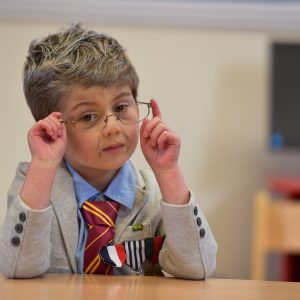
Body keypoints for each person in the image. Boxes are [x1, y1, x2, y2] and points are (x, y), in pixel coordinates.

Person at [0, 24, 217, 279]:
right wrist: (44, 166)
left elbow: (198, 267)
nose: (113, 127)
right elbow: (17, 269)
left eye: (122, 107)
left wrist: (168, 171)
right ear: (51, 127)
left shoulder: (153, 191)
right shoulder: (33, 182)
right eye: (89, 116)